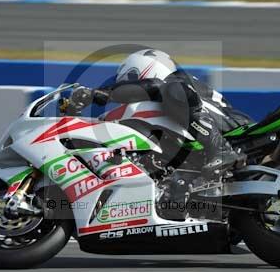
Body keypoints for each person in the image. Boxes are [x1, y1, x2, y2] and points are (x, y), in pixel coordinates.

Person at [69, 49, 249, 177]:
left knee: (172, 90)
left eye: (129, 79)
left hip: (234, 129)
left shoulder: (173, 83)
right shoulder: (169, 101)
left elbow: (151, 86)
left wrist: (101, 94)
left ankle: (221, 150)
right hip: (203, 141)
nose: (126, 87)